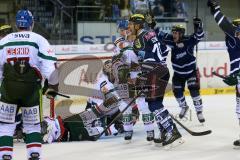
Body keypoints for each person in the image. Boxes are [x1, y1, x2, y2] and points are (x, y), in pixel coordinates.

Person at [0, 9, 58, 160]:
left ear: (16, 23)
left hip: (8, 89)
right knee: (32, 126)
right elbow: (50, 67)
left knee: (5, 126)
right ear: (31, 23)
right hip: (31, 90)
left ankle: (5, 155)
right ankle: (34, 155)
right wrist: (51, 86)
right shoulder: (39, 39)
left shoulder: (4, 41)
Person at [128, 13, 182, 147]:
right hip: (162, 70)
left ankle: (171, 130)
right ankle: (165, 131)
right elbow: (162, 50)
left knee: (153, 104)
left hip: (154, 71)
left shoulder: (138, 40)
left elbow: (146, 60)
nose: (129, 27)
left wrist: (142, 78)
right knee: (156, 103)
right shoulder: (150, 34)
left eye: (130, 24)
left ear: (137, 24)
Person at [149, 17, 205, 123]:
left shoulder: (188, 41)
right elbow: (159, 34)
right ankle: (184, 107)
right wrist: (153, 26)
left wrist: (198, 26)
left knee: (194, 91)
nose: (174, 35)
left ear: (181, 34)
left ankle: (199, 111)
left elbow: (199, 36)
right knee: (177, 92)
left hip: (191, 72)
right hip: (178, 74)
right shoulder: (170, 40)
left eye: (176, 33)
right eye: (173, 32)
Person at [207, 0, 240, 147]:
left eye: (235, 28)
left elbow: (224, 23)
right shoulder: (233, 38)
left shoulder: (235, 35)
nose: (233, 30)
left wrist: (216, 9)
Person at [113, 35, 155, 142]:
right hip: (135, 82)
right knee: (138, 105)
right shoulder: (131, 51)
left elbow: (147, 65)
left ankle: (131, 131)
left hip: (138, 80)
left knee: (133, 105)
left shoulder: (129, 52)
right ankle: (147, 131)